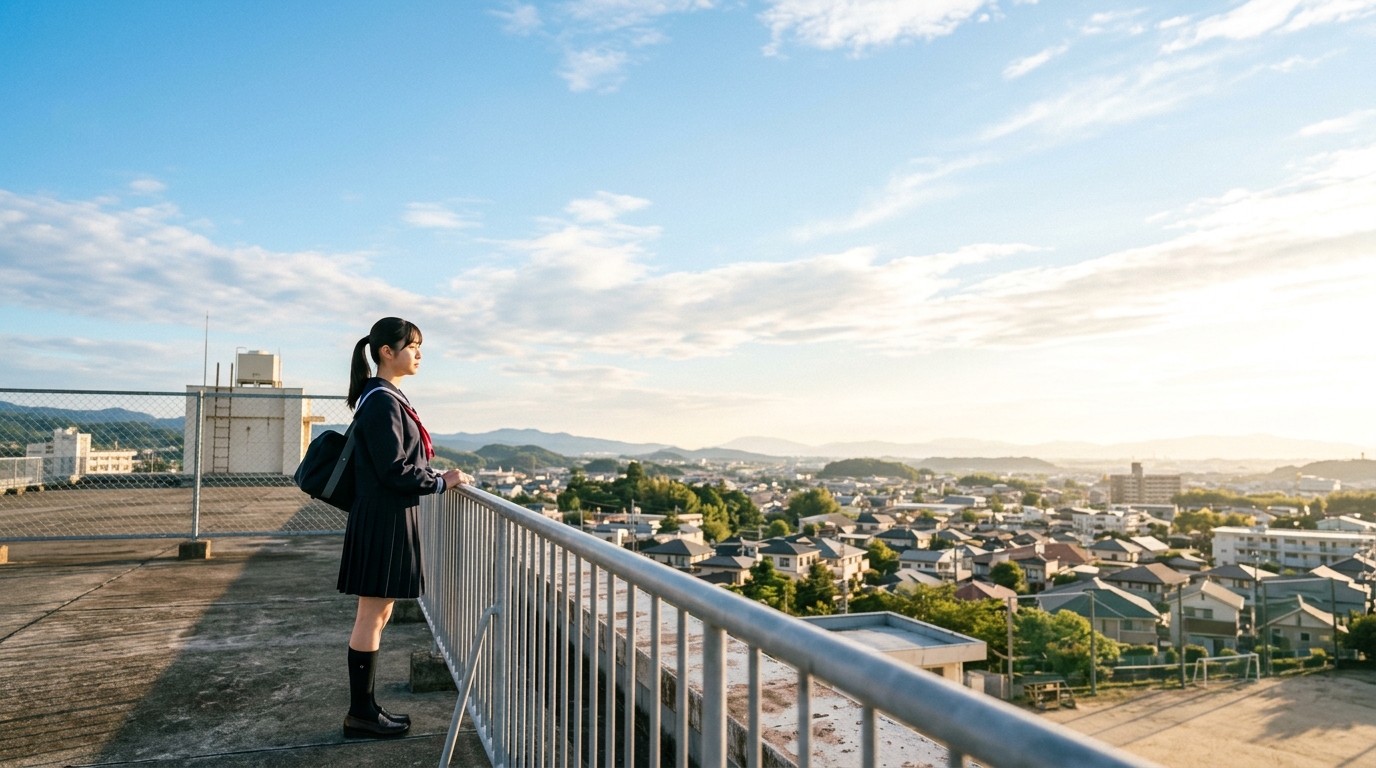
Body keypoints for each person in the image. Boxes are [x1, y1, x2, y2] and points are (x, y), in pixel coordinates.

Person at [337, 317, 471, 739]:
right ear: (386, 353)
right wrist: (439, 481)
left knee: (379, 612)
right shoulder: (380, 400)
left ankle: (366, 708)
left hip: (386, 516)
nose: (419, 354)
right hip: (383, 518)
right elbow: (394, 468)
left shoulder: (384, 396)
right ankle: (361, 713)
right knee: (371, 615)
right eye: (412, 346)